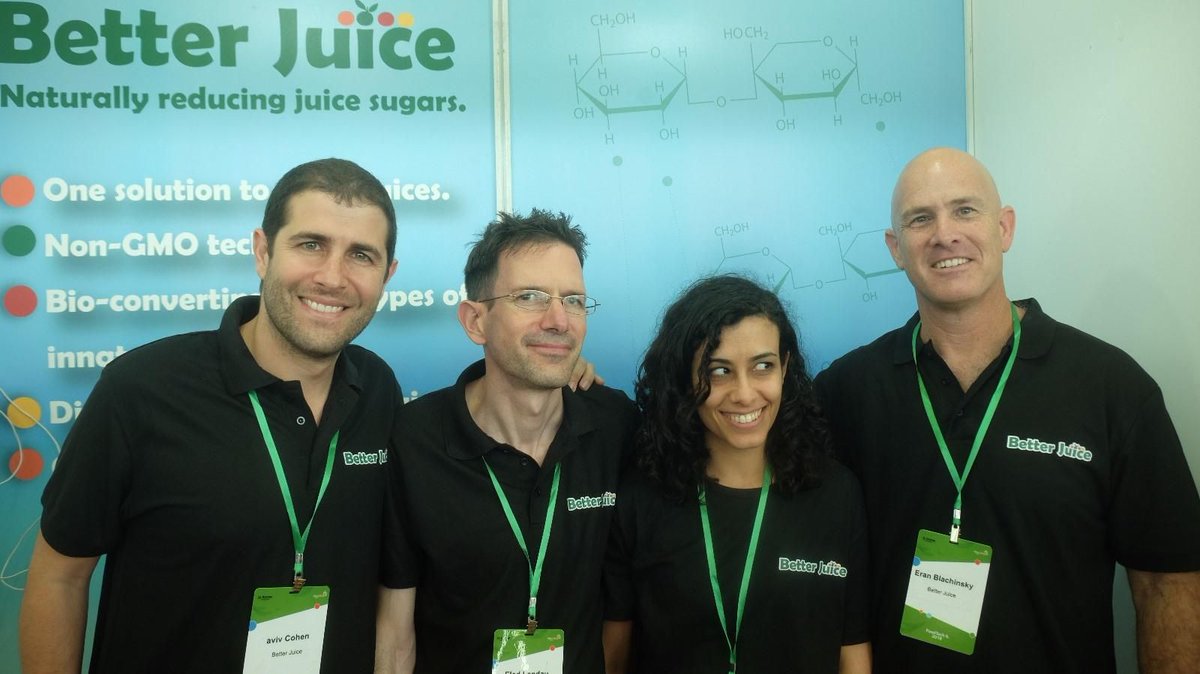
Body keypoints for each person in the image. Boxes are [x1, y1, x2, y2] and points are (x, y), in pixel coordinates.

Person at [815, 147, 1200, 673]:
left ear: (1004, 229)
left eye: (965, 210)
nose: (945, 234)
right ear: (896, 248)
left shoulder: (1111, 387)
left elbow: (1166, 583)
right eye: (920, 219)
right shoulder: (845, 392)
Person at [20, 158, 408, 674]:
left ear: (387, 274)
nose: (332, 277)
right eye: (311, 244)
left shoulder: (377, 389)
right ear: (263, 252)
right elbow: (60, 576)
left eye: (361, 255)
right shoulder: (141, 390)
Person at [378, 210, 638, 673]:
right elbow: (396, 634)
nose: (559, 320)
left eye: (574, 300)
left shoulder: (615, 425)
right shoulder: (414, 439)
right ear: (475, 321)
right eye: (530, 297)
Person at [603, 274, 872, 674]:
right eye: (719, 371)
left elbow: (852, 651)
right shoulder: (640, 500)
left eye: (763, 366)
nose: (745, 394)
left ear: (785, 367)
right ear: (684, 377)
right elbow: (614, 658)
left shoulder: (836, 493)